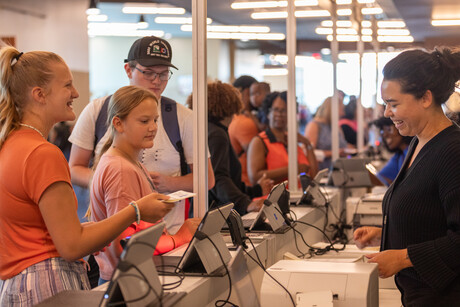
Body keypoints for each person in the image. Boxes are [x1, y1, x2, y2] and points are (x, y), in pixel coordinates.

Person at [0, 46, 174, 306]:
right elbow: (71, 245)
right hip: (47, 282)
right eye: (67, 85)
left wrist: (101, 230)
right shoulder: (42, 153)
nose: (76, 93)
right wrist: (135, 211)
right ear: (39, 95)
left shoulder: (11, 144)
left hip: (19, 284)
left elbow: (51, 231)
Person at [68, 36, 215, 234]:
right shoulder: (97, 111)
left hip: (169, 234)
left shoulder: (183, 118)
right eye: (148, 73)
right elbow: (74, 168)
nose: (156, 81)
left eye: (164, 74)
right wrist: (113, 182)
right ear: (128, 69)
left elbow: (208, 179)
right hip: (110, 238)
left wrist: (168, 183)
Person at [353, 47, 460, 306]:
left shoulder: (452, 151)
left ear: (425, 97)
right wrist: (388, 233)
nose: (387, 113)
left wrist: (402, 258)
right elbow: (430, 214)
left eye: (394, 104)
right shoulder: (418, 141)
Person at [90, 85, 199, 284]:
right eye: (144, 121)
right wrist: (181, 237)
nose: (153, 127)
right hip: (124, 280)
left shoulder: (130, 163)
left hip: (131, 276)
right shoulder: (120, 169)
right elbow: (127, 245)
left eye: (155, 120)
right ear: (118, 123)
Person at [187, 81, 272, 215]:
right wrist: (245, 204)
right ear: (230, 105)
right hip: (217, 216)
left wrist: (256, 190)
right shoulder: (216, 134)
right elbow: (218, 178)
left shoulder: (208, 130)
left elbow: (230, 180)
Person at [247, 91, 319, 186]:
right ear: (268, 113)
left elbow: (314, 176)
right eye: (276, 110)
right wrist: (293, 169)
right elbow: (254, 177)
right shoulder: (260, 141)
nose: (280, 114)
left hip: (299, 196)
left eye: (284, 110)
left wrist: (307, 144)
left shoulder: (293, 140)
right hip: (274, 199)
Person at [228, 75, 259, 186]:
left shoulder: (237, 118)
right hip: (248, 183)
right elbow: (258, 155)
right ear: (246, 92)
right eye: (256, 92)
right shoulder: (245, 123)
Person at [304, 96, 349, 169]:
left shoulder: (337, 127)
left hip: (340, 170)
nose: (343, 113)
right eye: (341, 110)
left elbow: (343, 145)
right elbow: (309, 152)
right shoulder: (314, 126)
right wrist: (333, 153)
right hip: (323, 170)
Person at [371, 116, 412, 185]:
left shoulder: (412, 153)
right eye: (382, 131)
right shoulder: (399, 156)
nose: (385, 135)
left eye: (389, 129)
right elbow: (381, 180)